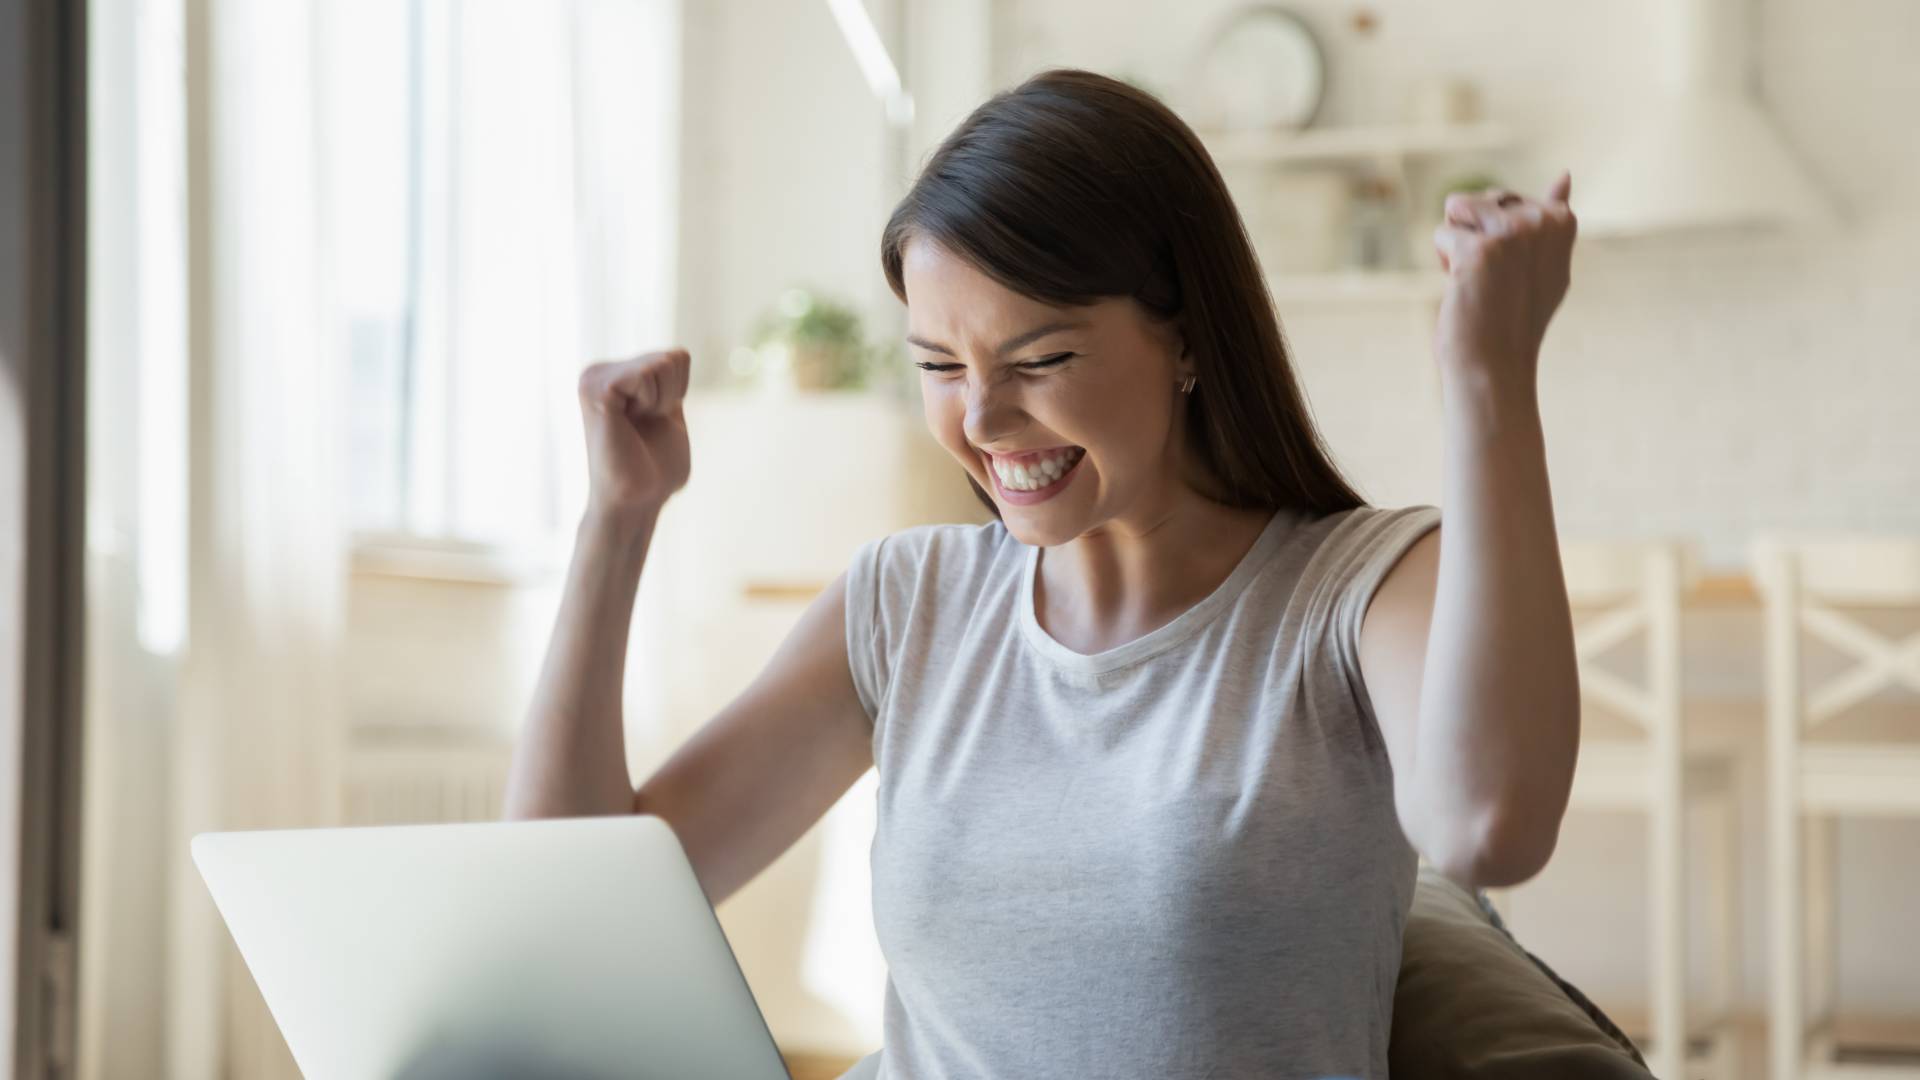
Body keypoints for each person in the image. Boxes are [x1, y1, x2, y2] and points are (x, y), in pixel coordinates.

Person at [504, 68, 1583, 1080]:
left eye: (1040, 360)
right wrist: (617, 521)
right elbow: (569, 911)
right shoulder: (905, 604)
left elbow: (1489, 826)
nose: (980, 419)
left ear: (1189, 340)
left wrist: (1489, 377)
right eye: (938, 366)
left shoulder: (1353, 589)